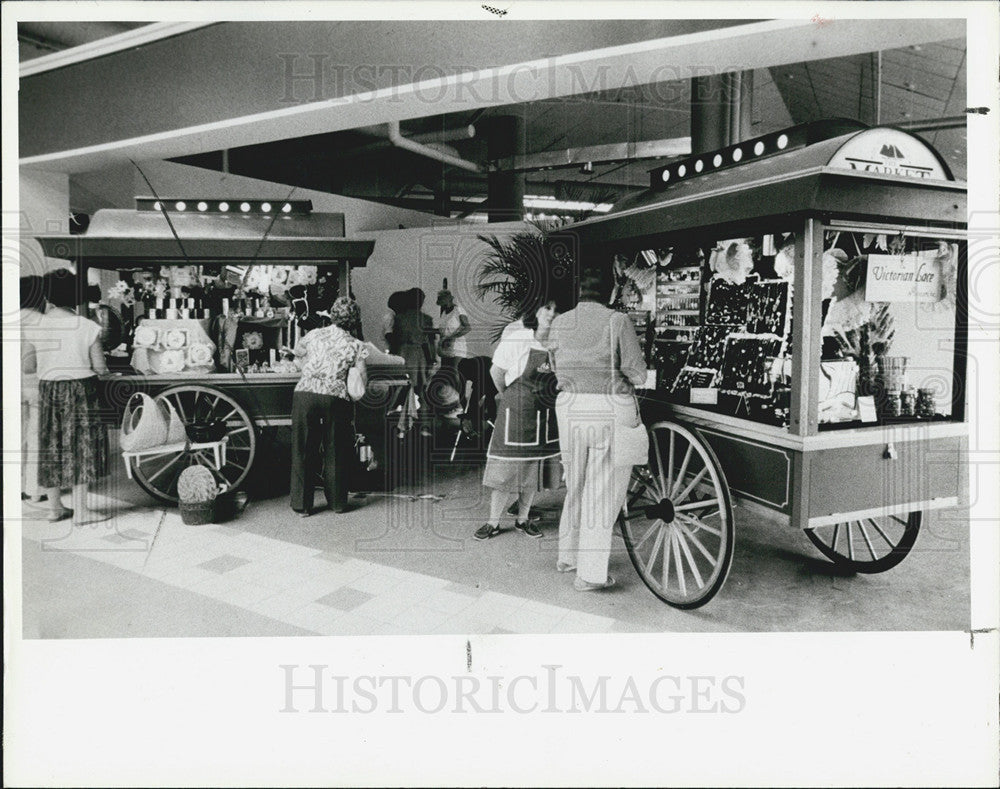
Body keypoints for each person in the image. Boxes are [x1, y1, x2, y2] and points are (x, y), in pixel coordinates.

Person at [545, 267, 647, 591]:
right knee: (601, 492)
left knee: (574, 482)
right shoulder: (617, 321)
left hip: (569, 407)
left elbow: (552, 362)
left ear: (579, 294)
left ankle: (569, 556)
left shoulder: (560, 322)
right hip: (607, 408)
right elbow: (637, 373)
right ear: (611, 291)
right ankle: (589, 575)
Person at [22, 270, 110, 524]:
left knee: (51, 446)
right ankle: (82, 512)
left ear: (47, 295)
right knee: (81, 447)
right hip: (82, 390)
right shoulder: (87, 326)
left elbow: (28, 366)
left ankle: (55, 508)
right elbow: (101, 368)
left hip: (48, 389)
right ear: (76, 297)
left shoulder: (36, 325)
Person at [474, 295, 561, 541]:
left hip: (544, 414)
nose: (551, 313)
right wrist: (510, 396)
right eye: (547, 307)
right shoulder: (518, 338)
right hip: (517, 411)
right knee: (504, 470)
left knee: (534, 469)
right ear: (535, 310)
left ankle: (523, 520)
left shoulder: (557, 343)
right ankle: (493, 522)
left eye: (556, 309)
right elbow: (496, 372)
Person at [288, 296, 369, 516]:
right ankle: (337, 504)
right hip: (335, 397)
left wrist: (308, 368)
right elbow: (361, 377)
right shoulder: (356, 345)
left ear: (332, 315)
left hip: (305, 393)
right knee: (336, 448)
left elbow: (296, 355)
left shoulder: (313, 334)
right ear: (354, 321)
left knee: (303, 448)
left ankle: (302, 506)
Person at [392, 287, 436, 437]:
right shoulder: (426, 319)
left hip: (402, 355)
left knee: (400, 391)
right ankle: (424, 427)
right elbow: (430, 343)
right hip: (419, 356)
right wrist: (433, 361)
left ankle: (401, 428)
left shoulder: (399, 318)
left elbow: (395, 340)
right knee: (423, 393)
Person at [20, 275, 46, 505]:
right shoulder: (40, 321)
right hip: (35, 384)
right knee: (36, 436)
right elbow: (30, 363)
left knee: (15, 436)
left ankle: (15, 485)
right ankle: (35, 489)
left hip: (10, 385)